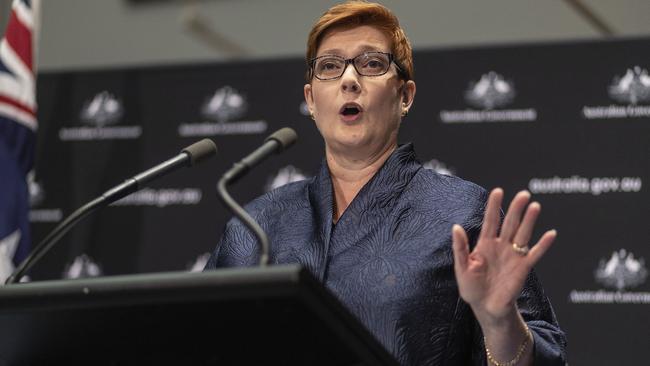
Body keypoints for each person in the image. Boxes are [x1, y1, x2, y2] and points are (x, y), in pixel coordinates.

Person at [205, 1, 567, 365]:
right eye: (330, 66)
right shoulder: (253, 226)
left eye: (371, 64)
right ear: (311, 100)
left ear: (405, 95)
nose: (349, 80)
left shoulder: (461, 214)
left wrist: (500, 322)